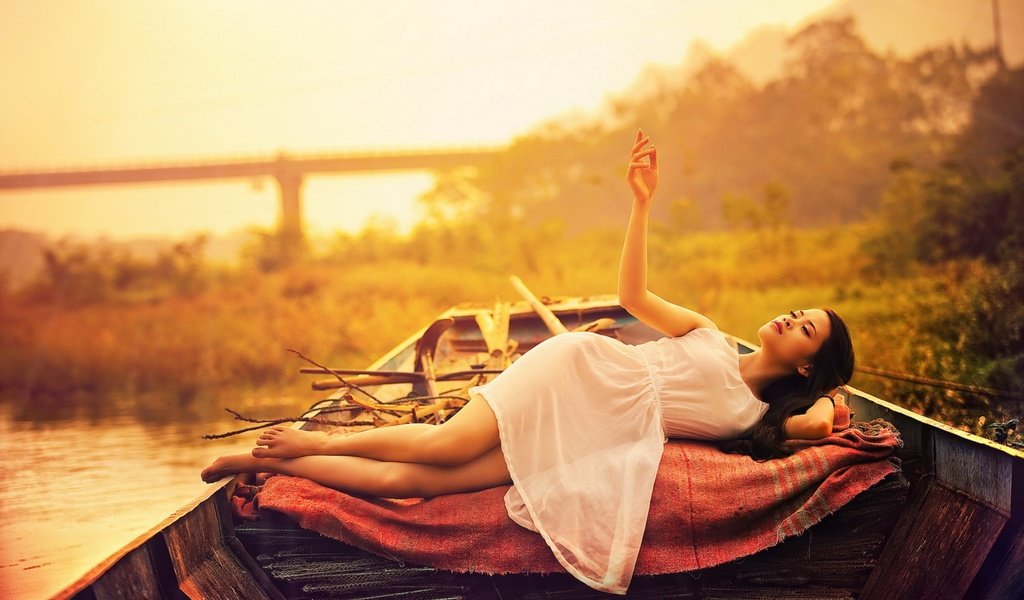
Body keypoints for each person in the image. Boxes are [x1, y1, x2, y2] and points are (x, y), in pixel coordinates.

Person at [200, 130, 855, 595]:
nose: (790, 318)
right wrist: (642, 204)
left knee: (422, 485)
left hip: (593, 434)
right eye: (797, 310)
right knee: (442, 444)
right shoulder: (710, 335)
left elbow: (824, 426)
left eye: (806, 330)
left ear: (808, 367)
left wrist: (832, 398)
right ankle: (309, 440)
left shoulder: (759, 417)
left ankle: (262, 463)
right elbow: (631, 299)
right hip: (576, 373)